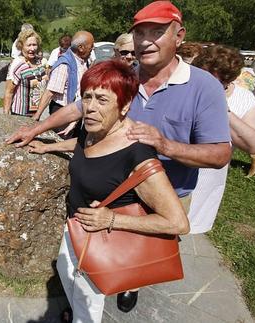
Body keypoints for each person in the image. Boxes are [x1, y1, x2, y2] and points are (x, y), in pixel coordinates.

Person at [6, 1, 231, 313]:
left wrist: (165, 145)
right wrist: (37, 129)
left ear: (179, 36)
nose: (146, 40)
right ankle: (91, 289)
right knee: (99, 248)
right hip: (109, 184)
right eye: (140, 33)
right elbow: (79, 108)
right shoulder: (126, 77)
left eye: (157, 32)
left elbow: (220, 153)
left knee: (140, 251)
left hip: (166, 191)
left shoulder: (203, 86)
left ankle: (127, 283)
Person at [26, 60, 189, 322]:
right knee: (69, 279)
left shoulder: (137, 153)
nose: (90, 107)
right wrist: (48, 147)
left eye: (102, 99)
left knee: (87, 305)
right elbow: (83, 146)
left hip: (104, 243)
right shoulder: (93, 129)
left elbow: (178, 223)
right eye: (87, 97)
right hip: (77, 228)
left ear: (124, 106)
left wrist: (111, 219)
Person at [188, 45, 255, 234]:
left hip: (205, 184)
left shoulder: (242, 98)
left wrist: (223, 110)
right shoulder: (185, 88)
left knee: (187, 234)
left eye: (217, 83)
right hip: (170, 176)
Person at [33, 31, 94, 140]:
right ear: (81, 47)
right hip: (62, 113)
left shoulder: (84, 62)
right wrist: (37, 116)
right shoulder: (65, 65)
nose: (92, 49)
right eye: (91, 46)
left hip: (75, 112)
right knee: (61, 144)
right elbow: (50, 93)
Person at [3, 29, 48, 116]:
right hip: (20, 115)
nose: (32, 48)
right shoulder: (18, 65)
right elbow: (9, 92)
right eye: (28, 45)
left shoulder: (40, 62)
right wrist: (6, 117)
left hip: (36, 114)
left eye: (34, 45)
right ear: (21, 46)